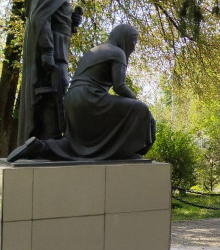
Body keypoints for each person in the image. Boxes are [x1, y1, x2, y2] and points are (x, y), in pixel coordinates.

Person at [8, 24, 155, 162]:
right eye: (133, 42)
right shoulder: (118, 53)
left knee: (76, 145)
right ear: (125, 38)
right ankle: (125, 151)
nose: (133, 48)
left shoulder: (95, 50)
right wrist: (137, 101)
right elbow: (120, 87)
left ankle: (40, 147)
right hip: (90, 98)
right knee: (140, 109)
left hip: (72, 100)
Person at [17, 0, 83, 144]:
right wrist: (47, 52)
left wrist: (71, 22)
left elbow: (54, 19)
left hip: (57, 48)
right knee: (54, 91)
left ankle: (49, 139)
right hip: (52, 51)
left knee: (56, 90)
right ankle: (50, 139)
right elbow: (41, 20)